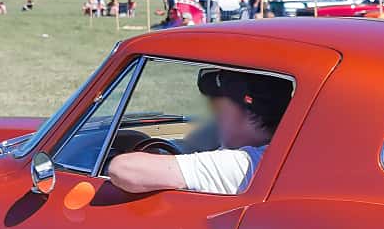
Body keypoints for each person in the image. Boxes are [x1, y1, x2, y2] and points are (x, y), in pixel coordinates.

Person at [106, 69, 293, 196]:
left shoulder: (243, 165)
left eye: (220, 106)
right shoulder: (285, 153)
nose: (215, 115)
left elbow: (123, 169)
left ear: (245, 110)